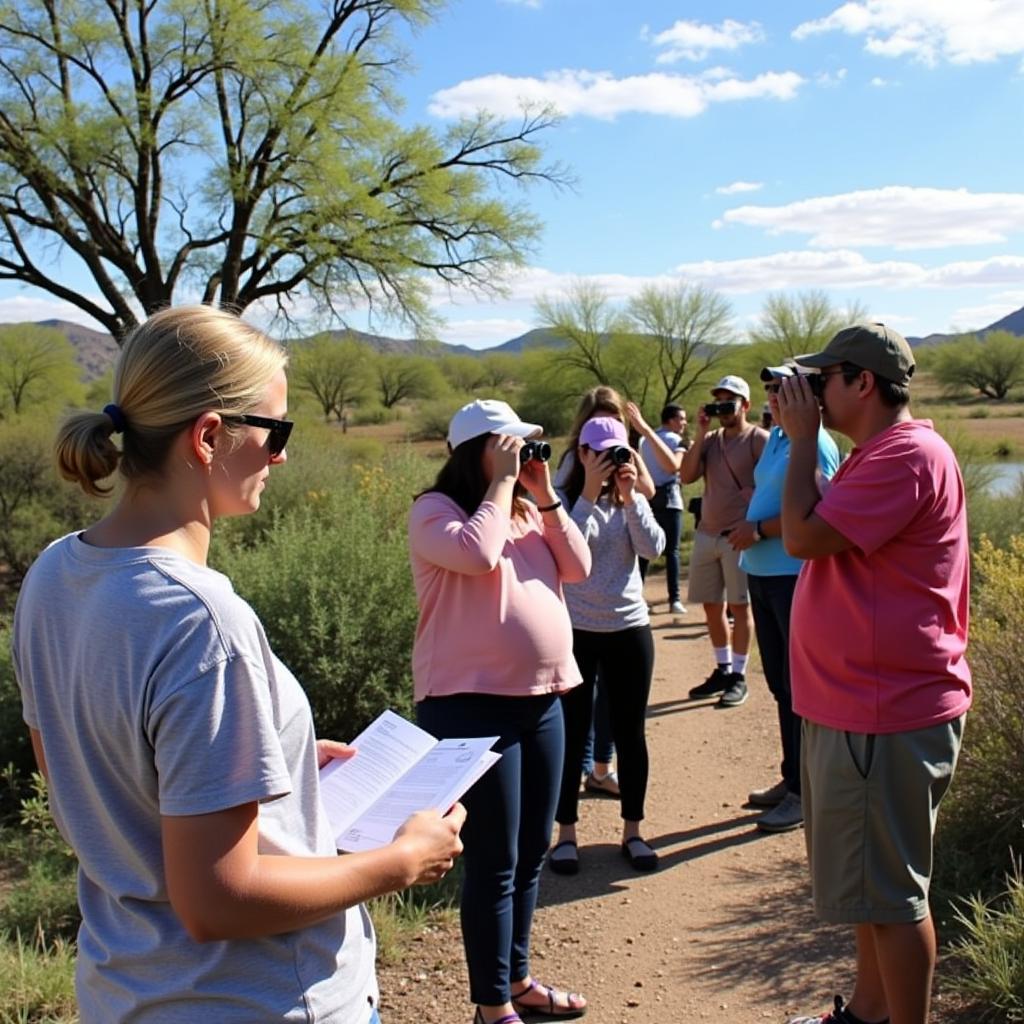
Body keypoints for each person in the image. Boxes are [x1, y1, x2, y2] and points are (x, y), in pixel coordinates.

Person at [11, 305, 465, 1024]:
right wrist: (401, 863)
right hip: (258, 1000)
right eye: (275, 431)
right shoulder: (200, 620)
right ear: (209, 436)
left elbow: (86, 789)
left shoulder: (54, 575)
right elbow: (218, 900)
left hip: (125, 994)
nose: (283, 456)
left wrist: (261, 765)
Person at [776, 324, 971, 1024]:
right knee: (871, 889)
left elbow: (800, 535)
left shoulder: (906, 454)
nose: (810, 395)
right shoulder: (879, 453)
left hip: (884, 711)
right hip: (863, 706)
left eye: (821, 380)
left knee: (891, 899)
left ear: (862, 382)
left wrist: (801, 442)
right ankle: (866, 1015)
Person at [409, 399, 592, 1024]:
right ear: (476, 451)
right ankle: (492, 1006)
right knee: (494, 859)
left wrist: (544, 499)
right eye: (509, 445)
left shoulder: (524, 511)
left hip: (543, 702)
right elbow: (479, 556)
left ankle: (516, 979)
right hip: (467, 707)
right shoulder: (435, 512)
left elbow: (580, 567)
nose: (523, 454)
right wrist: (504, 484)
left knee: (533, 847)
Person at [549, 415, 665, 876]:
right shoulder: (562, 498)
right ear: (581, 454)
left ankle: (633, 831)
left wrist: (632, 496)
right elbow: (572, 549)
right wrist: (589, 496)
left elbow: (653, 548)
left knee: (630, 733)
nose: (610, 460)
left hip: (629, 627)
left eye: (617, 451)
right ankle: (566, 835)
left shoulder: (630, 496)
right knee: (571, 733)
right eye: (599, 452)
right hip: (576, 629)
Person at [738, 365, 840, 834]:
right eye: (771, 390)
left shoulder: (814, 442)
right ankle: (792, 779)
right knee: (781, 684)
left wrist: (757, 529)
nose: (775, 398)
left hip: (791, 576)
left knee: (797, 687)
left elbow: (821, 509)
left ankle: (804, 793)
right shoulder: (778, 437)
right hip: (762, 572)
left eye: (785, 390)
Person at [679, 375, 768, 708]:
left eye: (729, 402)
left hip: (738, 537)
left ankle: (739, 676)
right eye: (718, 401)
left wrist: (755, 499)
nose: (723, 408)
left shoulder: (758, 439)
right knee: (711, 607)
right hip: (707, 534)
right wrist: (700, 432)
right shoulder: (711, 440)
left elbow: (777, 481)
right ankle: (722, 668)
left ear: (744, 405)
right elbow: (686, 475)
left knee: (740, 607)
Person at [637, 403, 690, 617]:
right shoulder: (674, 440)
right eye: (681, 419)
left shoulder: (644, 441)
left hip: (648, 499)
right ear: (671, 420)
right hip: (670, 499)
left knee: (644, 551)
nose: (684, 423)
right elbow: (675, 466)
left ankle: (638, 594)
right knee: (673, 552)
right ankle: (674, 599)